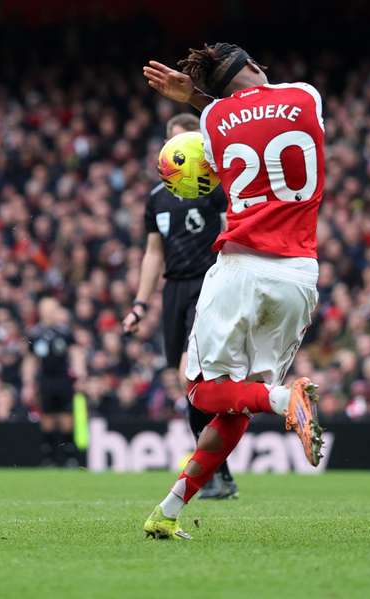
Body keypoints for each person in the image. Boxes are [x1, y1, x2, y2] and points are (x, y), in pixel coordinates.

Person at [140, 43, 325, 540]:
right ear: (253, 67)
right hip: (298, 275)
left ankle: (286, 398)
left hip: (241, 267)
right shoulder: (305, 97)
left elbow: (233, 118)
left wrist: (199, 98)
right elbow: (265, 117)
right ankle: (168, 510)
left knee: (203, 390)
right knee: (236, 404)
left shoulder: (214, 121)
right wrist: (205, 95)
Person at [123, 113, 238, 500]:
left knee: (192, 372)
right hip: (173, 291)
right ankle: (218, 471)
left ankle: (209, 473)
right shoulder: (156, 198)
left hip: (209, 285)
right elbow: (153, 253)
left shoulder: (217, 189)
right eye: (175, 146)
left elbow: (231, 236)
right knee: (186, 384)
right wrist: (140, 304)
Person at [22, 297, 87, 466]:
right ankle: (49, 457)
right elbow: (30, 360)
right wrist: (28, 383)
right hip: (45, 380)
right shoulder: (35, 333)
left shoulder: (65, 332)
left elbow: (76, 354)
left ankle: (69, 457)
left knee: (66, 417)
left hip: (63, 379)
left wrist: (80, 376)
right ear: (41, 311)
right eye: (47, 308)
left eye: (53, 308)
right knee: (47, 418)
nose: (50, 312)